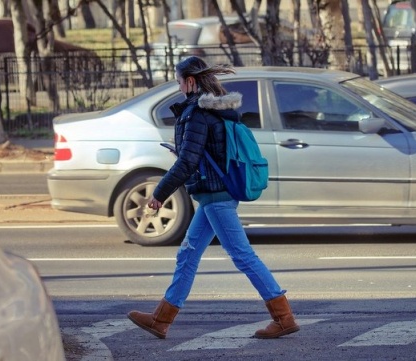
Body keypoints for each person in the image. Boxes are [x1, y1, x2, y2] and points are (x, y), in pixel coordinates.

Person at [127, 56, 300, 340]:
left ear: (190, 81)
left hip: (215, 196)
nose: (178, 86)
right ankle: (161, 320)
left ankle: (283, 317)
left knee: (242, 256)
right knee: (188, 253)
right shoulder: (213, 110)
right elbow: (202, 155)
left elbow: (187, 162)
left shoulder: (196, 114)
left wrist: (159, 193)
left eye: (179, 80)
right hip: (212, 195)